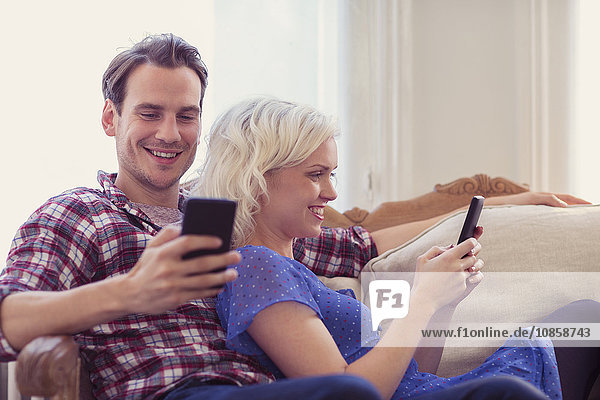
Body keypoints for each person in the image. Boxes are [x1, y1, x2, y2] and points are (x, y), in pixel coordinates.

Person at [0, 33, 589, 400]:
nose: (169, 133)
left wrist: (510, 203)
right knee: (346, 392)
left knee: (581, 322)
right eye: (149, 113)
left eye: (187, 115)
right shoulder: (77, 214)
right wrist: (129, 291)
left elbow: (361, 244)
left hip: (274, 388)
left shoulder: (231, 220)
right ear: (111, 119)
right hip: (177, 389)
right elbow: (9, 319)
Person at [198, 97, 600, 400]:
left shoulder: (292, 264)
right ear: (257, 178)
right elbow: (347, 392)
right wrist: (421, 302)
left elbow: (411, 373)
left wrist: (442, 302)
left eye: (332, 174)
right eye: (315, 175)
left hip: (428, 390)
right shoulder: (255, 267)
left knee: (585, 317)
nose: (332, 192)